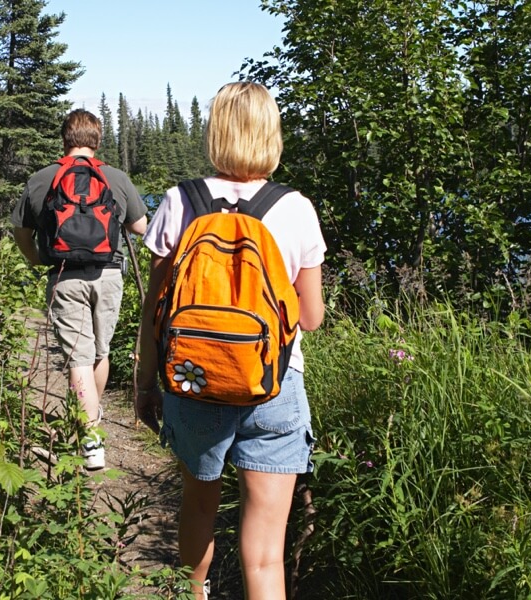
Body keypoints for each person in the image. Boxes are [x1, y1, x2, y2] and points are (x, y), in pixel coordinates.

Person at [134, 82, 326, 600]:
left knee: (198, 507)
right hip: (275, 385)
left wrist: (145, 383)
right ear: (272, 135)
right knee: (265, 553)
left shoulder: (179, 201)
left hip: (194, 383)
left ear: (215, 132)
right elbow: (310, 318)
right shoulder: (296, 208)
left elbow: (156, 309)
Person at [12, 109, 148, 471]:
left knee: (78, 358)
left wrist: (37, 260)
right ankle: (92, 417)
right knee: (99, 353)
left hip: (63, 277)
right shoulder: (115, 177)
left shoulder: (42, 179)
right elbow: (140, 227)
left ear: (64, 140)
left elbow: (21, 232)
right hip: (108, 276)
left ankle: (89, 440)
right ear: (98, 140)